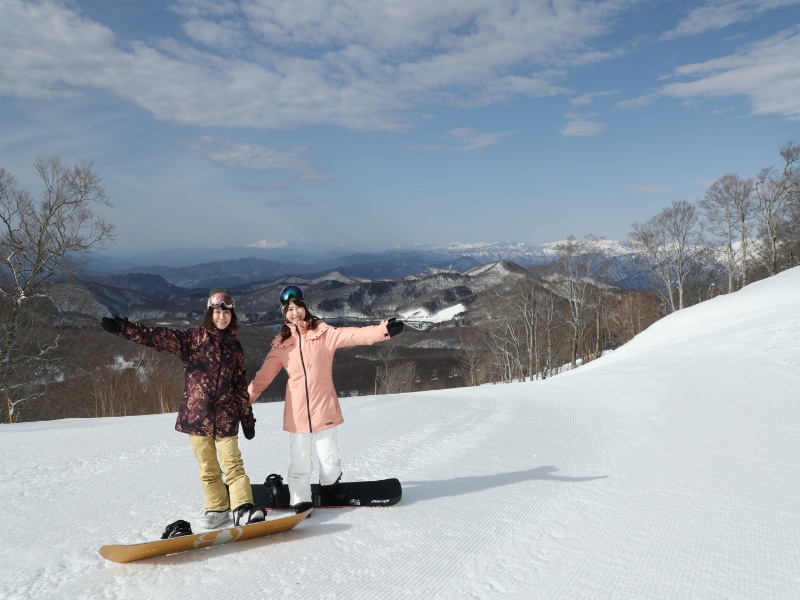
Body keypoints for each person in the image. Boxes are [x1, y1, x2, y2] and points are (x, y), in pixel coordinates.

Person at [100, 288, 265, 529]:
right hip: (197, 417)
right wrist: (122, 328)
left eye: (226, 313)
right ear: (210, 314)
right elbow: (157, 336)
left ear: (232, 316)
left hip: (227, 417)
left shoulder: (235, 348)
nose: (222, 317)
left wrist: (247, 420)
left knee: (233, 465)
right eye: (217, 312)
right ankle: (217, 508)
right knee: (208, 467)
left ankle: (242, 508)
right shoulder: (193, 340)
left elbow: (240, 387)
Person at [248, 285, 404, 513]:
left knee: (329, 457)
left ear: (305, 308)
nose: (294, 313)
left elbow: (354, 334)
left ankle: (330, 485)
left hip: (325, 408)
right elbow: (262, 378)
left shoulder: (324, 333)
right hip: (297, 413)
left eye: (298, 307)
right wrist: (243, 403)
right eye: (289, 309)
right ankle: (300, 497)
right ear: (284, 313)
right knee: (300, 459)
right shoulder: (281, 344)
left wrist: (384, 330)